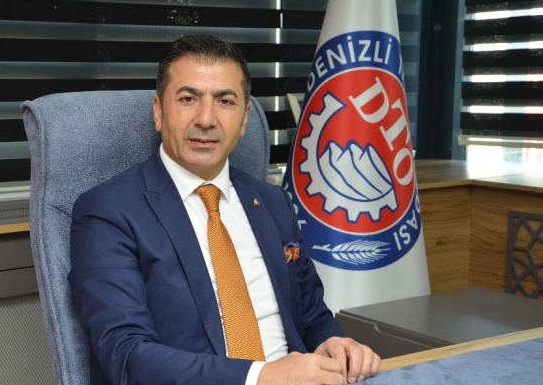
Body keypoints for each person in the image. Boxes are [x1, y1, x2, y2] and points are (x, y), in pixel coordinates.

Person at [69, 34, 380, 385]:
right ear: (159, 111)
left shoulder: (273, 202)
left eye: (225, 101)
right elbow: (126, 355)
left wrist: (333, 343)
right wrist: (262, 377)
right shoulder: (108, 212)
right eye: (188, 99)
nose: (206, 119)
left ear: (244, 118)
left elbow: (311, 318)